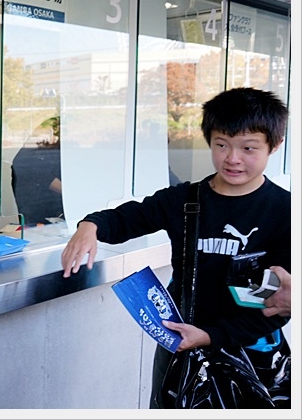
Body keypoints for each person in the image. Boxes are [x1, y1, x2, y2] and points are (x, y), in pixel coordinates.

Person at [60, 87, 290, 408]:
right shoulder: (185, 200)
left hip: (254, 354)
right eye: (221, 145)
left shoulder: (285, 212)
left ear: (274, 145)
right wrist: (90, 226)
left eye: (248, 148)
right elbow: (130, 217)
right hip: (182, 345)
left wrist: (212, 335)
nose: (232, 158)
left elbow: (277, 308)